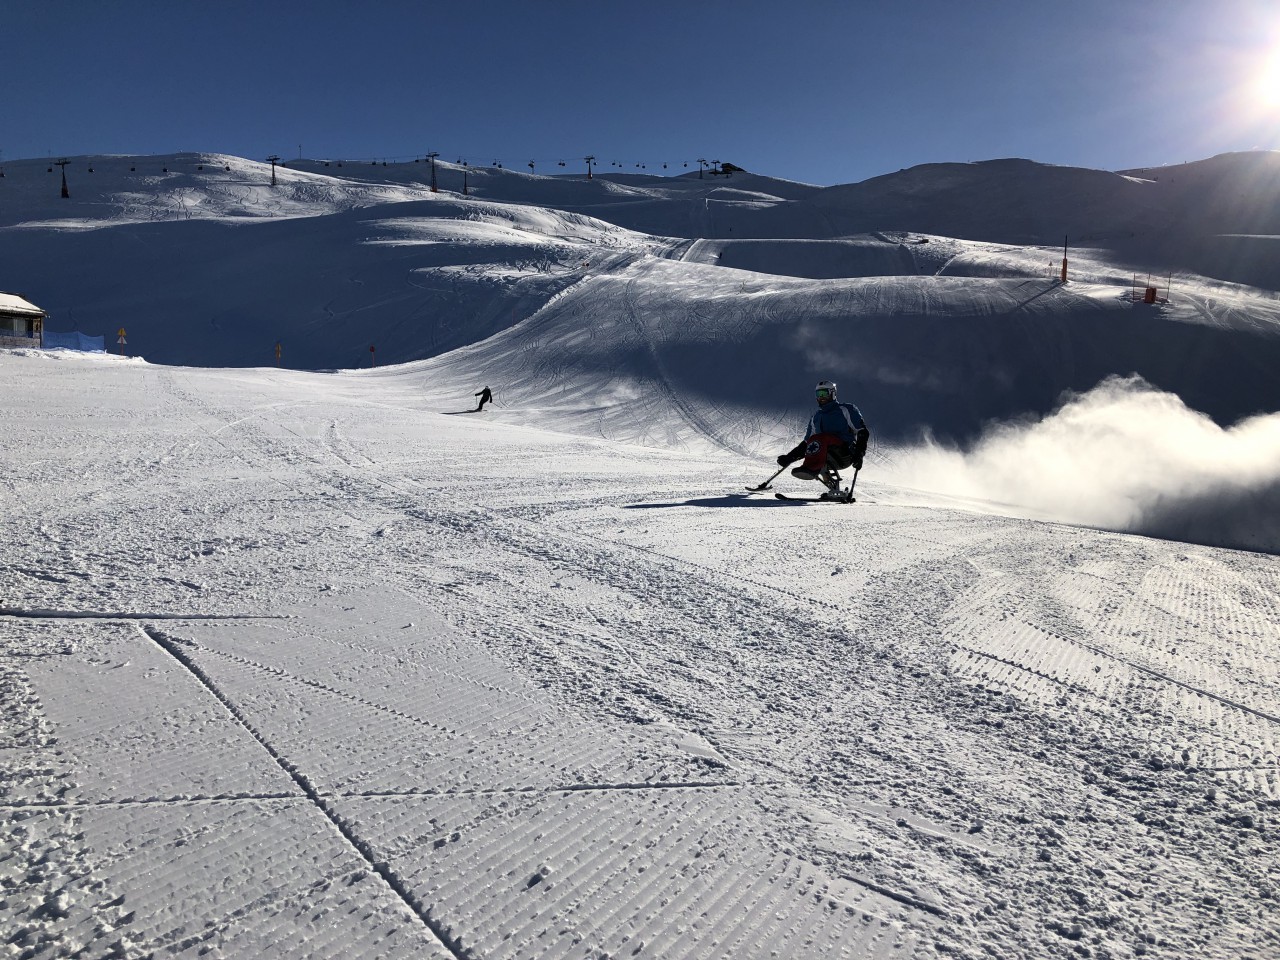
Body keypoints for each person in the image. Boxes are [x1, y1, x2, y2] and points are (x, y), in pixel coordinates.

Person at [776, 380, 869, 497]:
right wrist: (789, 457)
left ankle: (810, 468)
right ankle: (832, 488)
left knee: (821, 437)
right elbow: (807, 443)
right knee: (815, 439)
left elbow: (862, 431)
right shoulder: (816, 417)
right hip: (825, 455)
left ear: (833, 393)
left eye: (824, 393)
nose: (821, 397)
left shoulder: (846, 410)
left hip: (844, 454)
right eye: (818, 394)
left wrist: (859, 454)